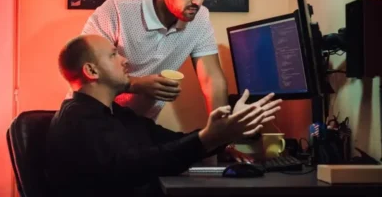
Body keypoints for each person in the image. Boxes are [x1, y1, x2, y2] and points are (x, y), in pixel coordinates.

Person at [46, 35, 282, 197]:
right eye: (113, 55)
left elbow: (170, 142)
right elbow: (135, 166)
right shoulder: (77, 120)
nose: (124, 60)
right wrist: (210, 138)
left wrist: (222, 134)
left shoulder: (115, 114)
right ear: (91, 70)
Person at [79, 0, 227, 120]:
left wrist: (223, 128)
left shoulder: (200, 18)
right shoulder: (116, 10)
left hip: (139, 126)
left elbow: (212, 80)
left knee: (192, 143)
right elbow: (83, 71)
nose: (198, 1)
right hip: (90, 119)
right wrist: (134, 84)